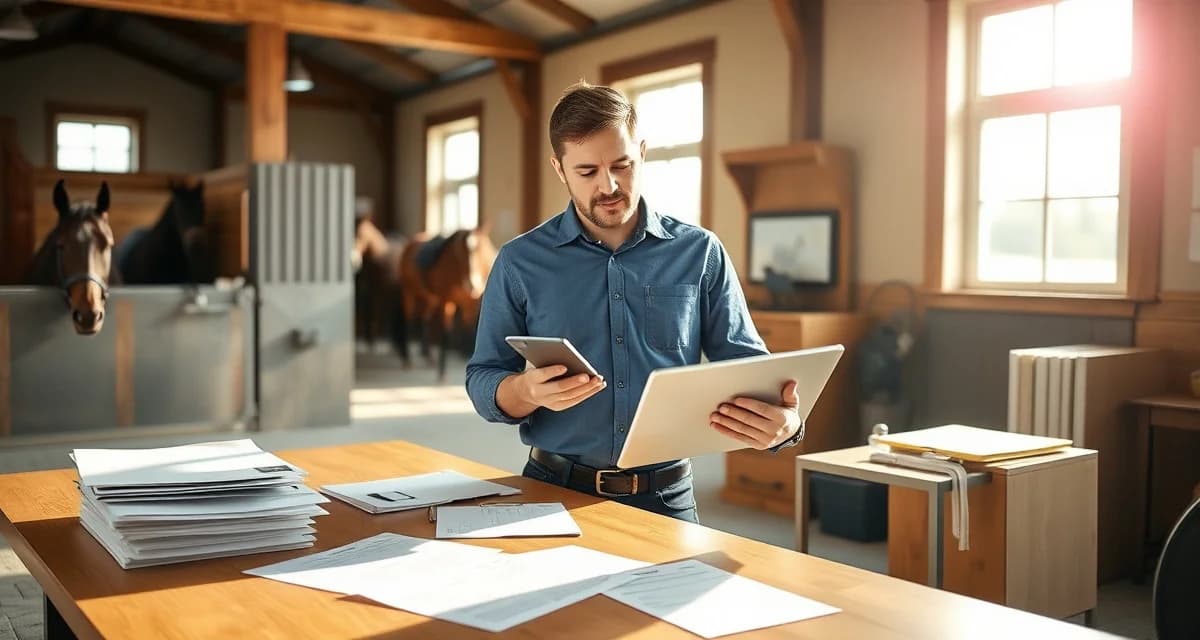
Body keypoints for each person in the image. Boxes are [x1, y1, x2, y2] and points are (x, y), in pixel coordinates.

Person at [465, 82, 805, 523]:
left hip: (667, 497)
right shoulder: (519, 261)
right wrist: (524, 391)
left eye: (621, 165)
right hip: (552, 488)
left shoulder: (700, 252)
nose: (608, 186)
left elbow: (749, 370)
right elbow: (483, 378)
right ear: (559, 169)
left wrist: (786, 427)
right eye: (587, 172)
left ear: (641, 153)